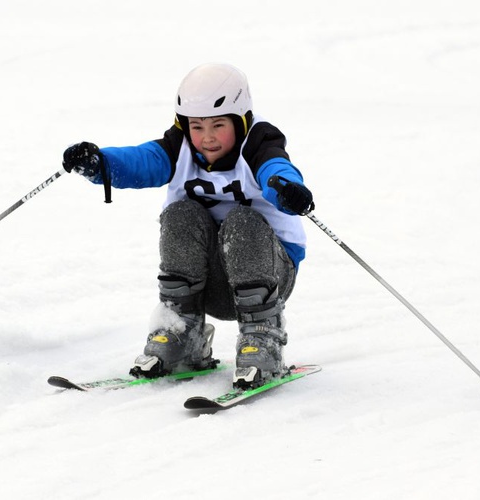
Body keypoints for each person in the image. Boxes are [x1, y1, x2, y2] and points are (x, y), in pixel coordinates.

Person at [62, 63, 314, 388]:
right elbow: (144, 160)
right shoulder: (179, 147)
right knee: (181, 213)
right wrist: (102, 163)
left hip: (269, 276)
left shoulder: (259, 144)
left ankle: (262, 337)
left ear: (241, 121)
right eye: (197, 127)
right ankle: (181, 331)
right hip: (206, 285)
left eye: (218, 125)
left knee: (241, 221)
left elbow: (275, 166)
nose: (206, 138)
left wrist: (286, 187)